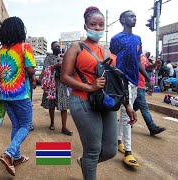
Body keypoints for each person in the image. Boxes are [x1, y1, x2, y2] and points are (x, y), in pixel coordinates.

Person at [61, 7, 137, 180]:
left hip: (106, 102)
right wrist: (89, 87)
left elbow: (117, 81)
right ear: (85, 25)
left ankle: (86, 162)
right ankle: (88, 163)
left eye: (101, 25)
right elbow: (65, 77)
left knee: (110, 151)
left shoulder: (108, 52)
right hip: (82, 101)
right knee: (93, 149)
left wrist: (127, 105)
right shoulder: (76, 47)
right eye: (93, 24)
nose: (97, 28)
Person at [110, 10, 151, 167]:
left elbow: (137, 60)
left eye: (135, 16)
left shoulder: (137, 39)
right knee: (128, 115)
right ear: (122, 20)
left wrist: (147, 78)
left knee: (125, 114)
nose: (135, 18)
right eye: (131, 16)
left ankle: (119, 140)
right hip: (121, 80)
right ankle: (128, 151)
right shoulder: (116, 39)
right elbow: (113, 60)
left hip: (134, 81)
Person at [0, 16, 36, 176]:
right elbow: (31, 70)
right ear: (21, 30)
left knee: (16, 125)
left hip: (4, 93)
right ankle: (9, 154)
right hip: (20, 93)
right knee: (26, 125)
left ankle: (17, 157)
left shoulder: (1, 51)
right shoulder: (25, 47)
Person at [40, 41, 72, 135]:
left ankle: (64, 127)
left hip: (61, 83)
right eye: (55, 46)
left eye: (58, 46)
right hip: (51, 84)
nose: (58, 48)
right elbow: (46, 69)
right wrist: (56, 65)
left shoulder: (63, 57)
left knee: (64, 105)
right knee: (51, 104)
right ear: (52, 48)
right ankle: (52, 123)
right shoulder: (48, 58)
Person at [133, 54, 166, 136]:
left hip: (141, 85)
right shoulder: (132, 54)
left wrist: (155, 64)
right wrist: (149, 80)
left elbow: (148, 67)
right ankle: (152, 127)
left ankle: (125, 121)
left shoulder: (143, 56)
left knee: (135, 106)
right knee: (144, 108)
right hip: (135, 85)